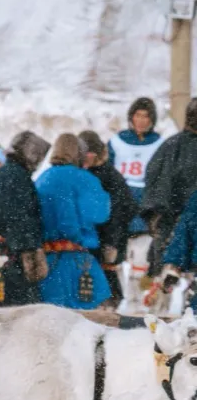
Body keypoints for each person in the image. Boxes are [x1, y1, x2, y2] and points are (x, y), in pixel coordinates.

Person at [0, 130, 50, 306]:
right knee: (18, 308)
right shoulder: (19, 179)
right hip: (9, 257)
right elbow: (22, 221)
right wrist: (29, 252)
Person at [33, 133, 111, 309]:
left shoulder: (43, 178)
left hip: (48, 260)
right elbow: (100, 214)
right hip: (78, 259)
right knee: (86, 316)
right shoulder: (85, 179)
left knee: (51, 314)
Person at [80, 131, 135, 299]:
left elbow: (121, 212)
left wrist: (112, 242)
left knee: (105, 280)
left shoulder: (110, 176)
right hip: (90, 237)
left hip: (106, 238)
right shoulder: (81, 173)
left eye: (88, 154)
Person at [144, 99, 197, 269]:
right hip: (178, 221)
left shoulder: (170, 145)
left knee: (164, 277)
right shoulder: (172, 146)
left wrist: (156, 213)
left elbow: (154, 177)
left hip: (171, 221)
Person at [111, 97, 162, 236]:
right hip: (121, 197)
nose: (140, 120)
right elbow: (106, 169)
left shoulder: (159, 143)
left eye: (145, 116)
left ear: (152, 119)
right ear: (131, 117)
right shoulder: (117, 141)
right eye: (137, 115)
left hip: (147, 200)